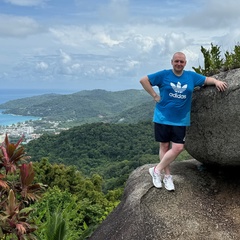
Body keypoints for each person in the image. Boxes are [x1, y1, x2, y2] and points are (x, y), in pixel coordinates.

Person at [140, 52, 228, 191]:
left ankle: (156, 170)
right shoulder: (164, 75)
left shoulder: (191, 76)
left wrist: (216, 81)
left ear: (185, 63)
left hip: (180, 119)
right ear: (172, 62)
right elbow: (144, 80)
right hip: (163, 117)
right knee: (164, 146)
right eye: (176, 61)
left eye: (181, 61)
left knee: (178, 148)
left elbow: (206, 80)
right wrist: (155, 95)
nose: (179, 64)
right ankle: (167, 176)